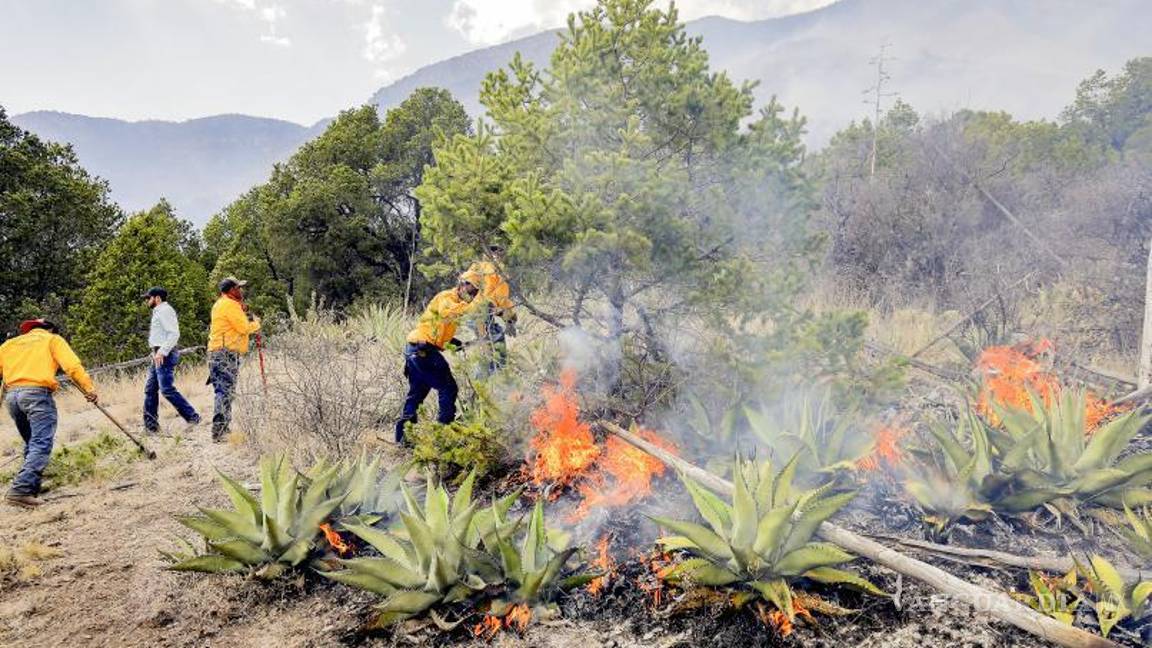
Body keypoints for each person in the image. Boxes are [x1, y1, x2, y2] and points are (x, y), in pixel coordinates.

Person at [0, 319, 98, 508]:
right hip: (36, 394)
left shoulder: (8, 345)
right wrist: (89, 390)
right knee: (41, 442)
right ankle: (20, 489)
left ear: (28, 330)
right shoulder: (53, 340)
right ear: (51, 329)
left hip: (13, 397)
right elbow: (72, 367)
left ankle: (31, 487)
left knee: (31, 442)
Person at [395, 272, 484, 443]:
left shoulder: (457, 303)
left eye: (476, 293)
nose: (473, 296)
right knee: (448, 389)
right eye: (472, 291)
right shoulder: (446, 297)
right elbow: (446, 314)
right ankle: (444, 436)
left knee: (417, 395)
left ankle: (403, 440)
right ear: (462, 285)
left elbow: (440, 332)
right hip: (422, 350)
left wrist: (458, 343)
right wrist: (476, 304)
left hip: (417, 350)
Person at [206, 277, 260, 442]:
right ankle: (220, 430)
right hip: (225, 353)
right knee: (225, 391)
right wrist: (257, 324)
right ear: (230, 290)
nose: (241, 291)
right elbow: (243, 328)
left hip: (218, 352)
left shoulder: (221, 304)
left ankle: (222, 428)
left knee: (223, 390)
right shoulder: (230, 305)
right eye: (238, 288)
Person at [142, 287, 201, 434]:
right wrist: (156, 352)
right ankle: (151, 427)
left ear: (157, 298)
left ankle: (193, 417)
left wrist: (161, 351)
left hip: (164, 354)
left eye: (149, 298)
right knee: (150, 389)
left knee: (166, 389)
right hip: (158, 354)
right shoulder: (159, 311)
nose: (147, 301)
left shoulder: (165, 311)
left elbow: (174, 333)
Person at [466, 245, 518, 374]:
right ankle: (494, 379)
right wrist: (509, 319)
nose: (498, 255)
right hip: (481, 313)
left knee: (489, 345)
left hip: (477, 313)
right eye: (495, 252)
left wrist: (509, 319)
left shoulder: (479, 267)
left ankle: (492, 379)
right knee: (493, 346)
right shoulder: (491, 269)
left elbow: (501, 299)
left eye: (500, 252)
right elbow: (501, 299)